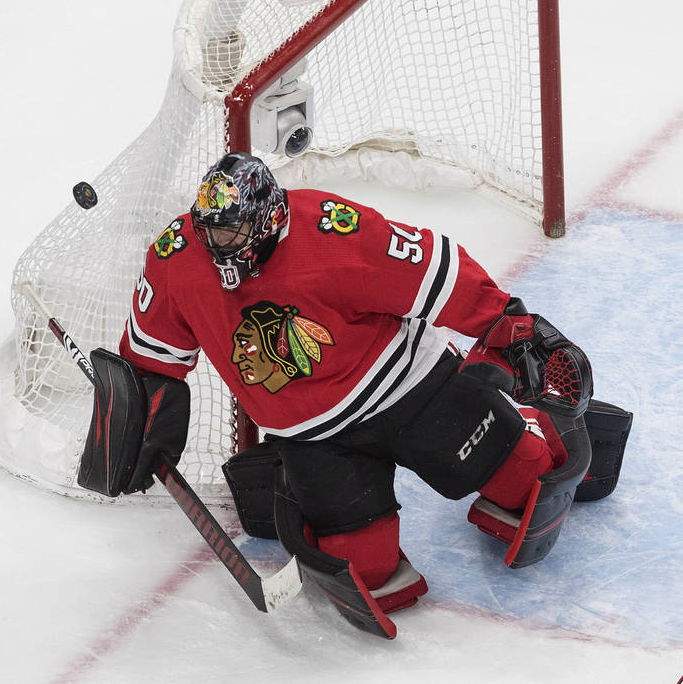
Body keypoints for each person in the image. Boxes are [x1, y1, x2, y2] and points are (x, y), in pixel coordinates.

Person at [82, 151, 614, 627]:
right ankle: (297, 485)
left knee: (526, 483)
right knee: (371, 576)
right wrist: (139, 413)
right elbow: (153, 355)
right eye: (212, 232)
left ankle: (536, 427)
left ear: (268, 219)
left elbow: (435, 270)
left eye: (234, 234)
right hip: (314, 437)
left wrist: (506, 323)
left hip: (410, 389)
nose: (221, 246)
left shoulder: (333, 230)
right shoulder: (176, 258)